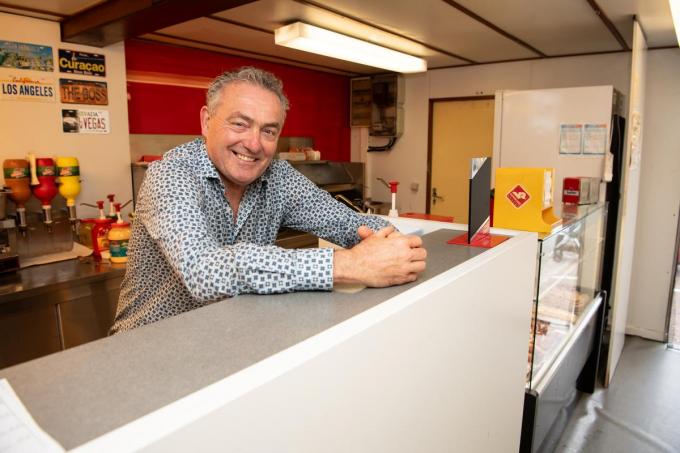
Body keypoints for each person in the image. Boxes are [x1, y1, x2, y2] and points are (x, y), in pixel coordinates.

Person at [110, 67, 426, 333]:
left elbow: (343, 221)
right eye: (240, 124)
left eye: (269, 131)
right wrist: (348, 264)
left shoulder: (277, 176)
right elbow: (203, 271)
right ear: (207, 121)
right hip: (149, 349)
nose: (253, 143)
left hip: (227, 340)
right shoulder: (170, 175)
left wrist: (395, 245)